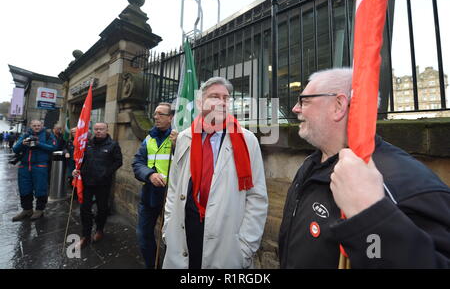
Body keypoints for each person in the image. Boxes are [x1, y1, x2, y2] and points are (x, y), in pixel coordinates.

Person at [278, 68, 450, 268]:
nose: (295, 109)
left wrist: (371, 216)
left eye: (304, 101)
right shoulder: (311, 163)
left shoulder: (407, 183)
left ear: (339, 105)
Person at [162, 77, 268, 269]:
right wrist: (168, 227)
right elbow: (174, 187)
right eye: (214, 96)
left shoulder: (247, 140)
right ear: (200, 102)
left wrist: (245, 248)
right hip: (185, 234)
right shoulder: (185, 137)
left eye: (226, 98)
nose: (221, 102)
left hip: (227, 246)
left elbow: (257, 198)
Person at [132, 102, 178, 269]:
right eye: (155, 114)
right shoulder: (149, 138)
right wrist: (150, 174)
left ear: (171, 117)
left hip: (171, 198)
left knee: (171, 239)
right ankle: (151, 265)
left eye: (160, 114)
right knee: (143, 235)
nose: (156, 117)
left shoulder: (178, 137)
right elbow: (137, 163)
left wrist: (177, 146)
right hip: (150, 195)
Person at [73, 123, 123, 249]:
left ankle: (99, 229)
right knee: (85, 209)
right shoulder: (87, 144)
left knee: (102, 209)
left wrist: (106, 173)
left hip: (103, 183)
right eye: (96, 129)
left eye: (101, 129)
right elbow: (81, 160)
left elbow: (118, 161)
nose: (99, 131)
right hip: (87, 182)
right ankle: (85, 235)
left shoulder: (113, 145)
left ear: (107, 130)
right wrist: (76, 170)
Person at [11, 120, 57, 221]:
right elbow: (15, 149)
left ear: (42, 126)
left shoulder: (48, 135)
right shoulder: (25, 134)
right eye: (34, 126)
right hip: (24, 166)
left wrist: (38, 144)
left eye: (38, 125)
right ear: (31, 126)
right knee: (24, 188)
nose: (36, 127)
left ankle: (39, 210)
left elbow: (53, 147)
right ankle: (27, 209)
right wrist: (23, 143)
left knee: (40, 188)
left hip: (40, 166)